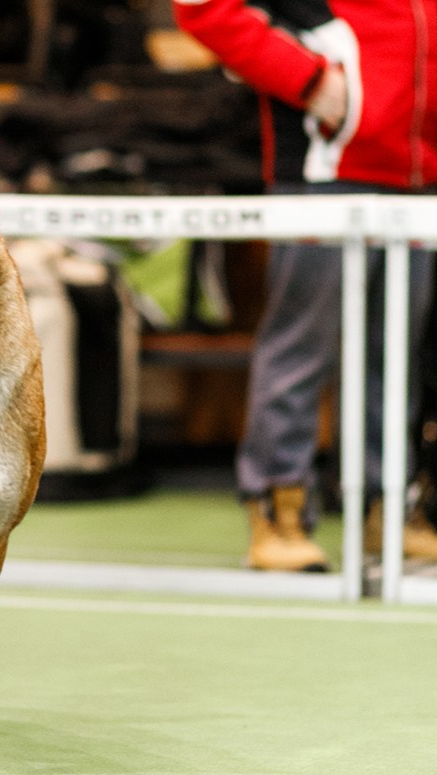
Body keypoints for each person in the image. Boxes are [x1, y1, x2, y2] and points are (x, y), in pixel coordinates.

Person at [173, 0, 437, 571]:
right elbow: (201, 8)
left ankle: (385, 509)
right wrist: (314, 82)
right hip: (323, 172)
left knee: (396, 356)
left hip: (418, 177)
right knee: (302, 347)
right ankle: (277, 508)